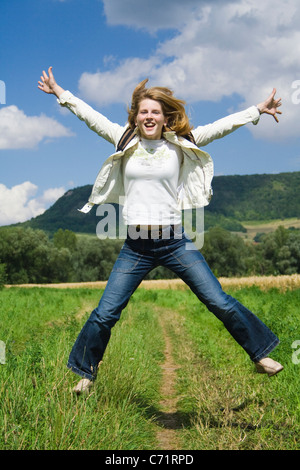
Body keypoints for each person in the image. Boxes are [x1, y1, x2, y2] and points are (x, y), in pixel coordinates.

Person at [38, 67, 283, 394]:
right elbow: (91, 116)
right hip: (136, 246)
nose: (149, 116)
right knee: (105, 313)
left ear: (166, 117)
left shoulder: (181, 143)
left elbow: (220, 127)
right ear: (135, 117)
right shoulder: (123, 138)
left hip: (175, 241)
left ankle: (259, 354)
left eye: (155, 112)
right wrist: (61, 93)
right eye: (143, 112)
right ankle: (86, 372)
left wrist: (256, 111)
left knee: (219, 300)